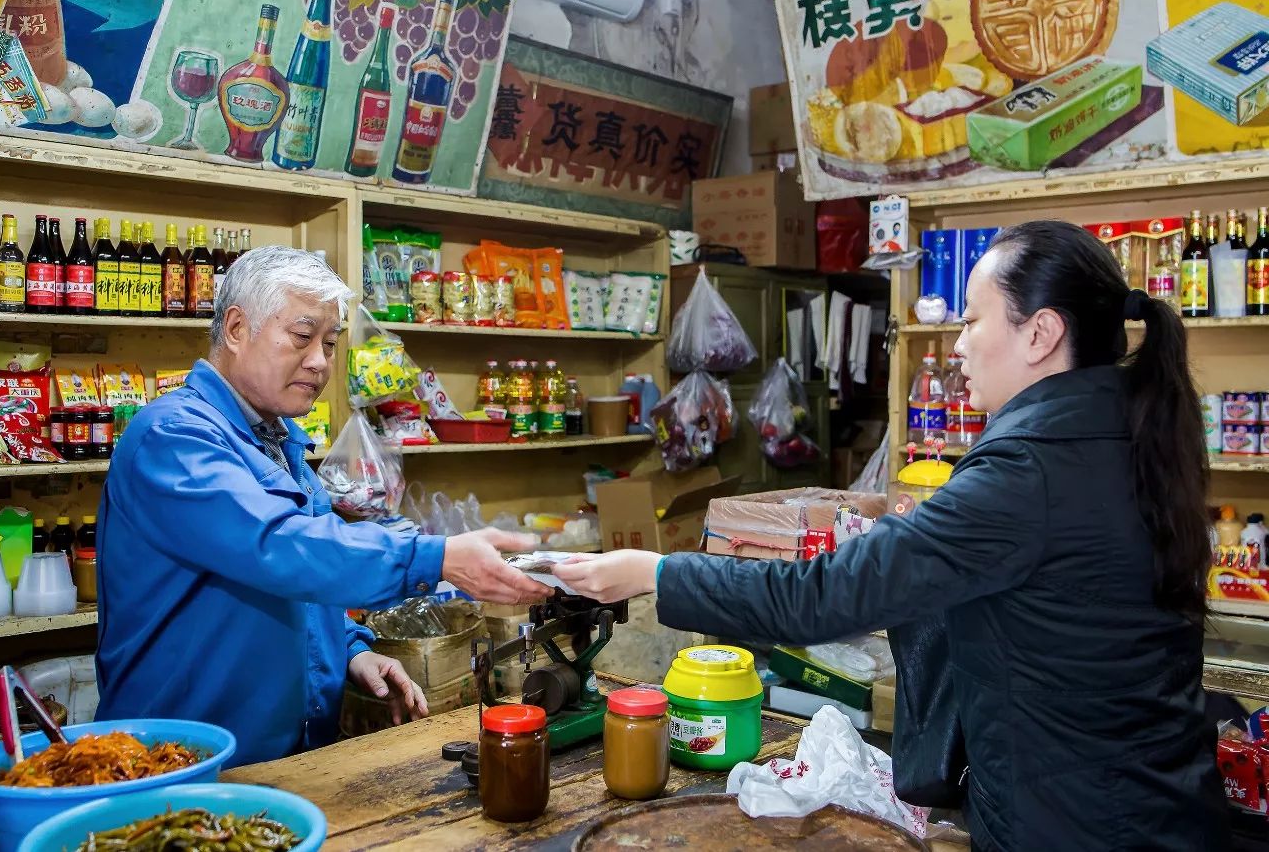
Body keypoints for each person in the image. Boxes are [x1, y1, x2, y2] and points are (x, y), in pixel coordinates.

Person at [555, 221, 1230, 851]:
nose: (958, 343)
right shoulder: (1125, 433)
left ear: (1040, 333)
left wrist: (655, 571)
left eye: (973, 319)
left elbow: (820, 597)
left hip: (1078, 824)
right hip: (1157, 804)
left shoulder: (1029, 468)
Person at [96, 247, 551, 766]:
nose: (320, 361)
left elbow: (300, 589)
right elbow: (277, 547)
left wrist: (352, 650)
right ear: (237, 329)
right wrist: (435, 558)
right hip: (178, 766)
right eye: (302, 336)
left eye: (330, 343)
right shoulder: (174, 437)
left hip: (284, 761)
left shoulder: (278, 441)